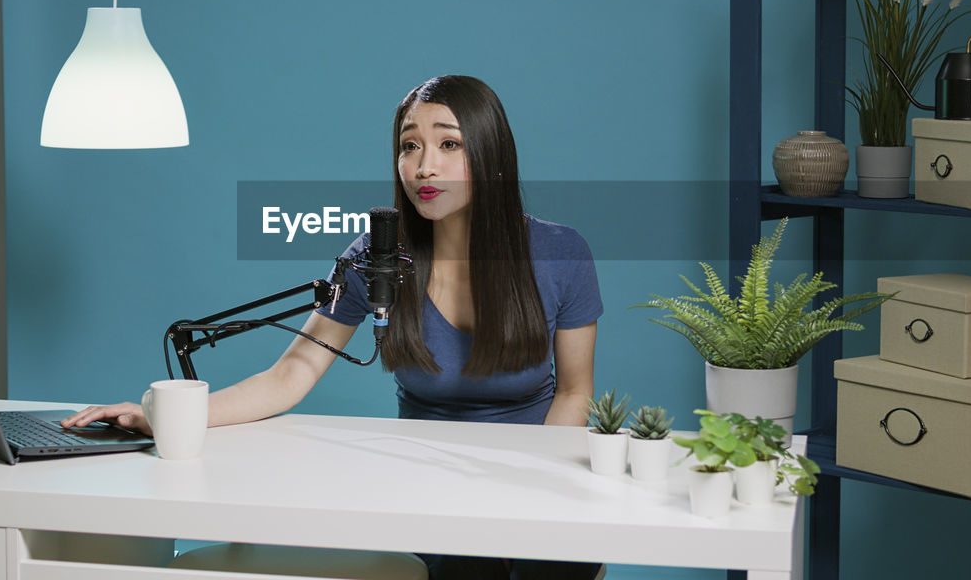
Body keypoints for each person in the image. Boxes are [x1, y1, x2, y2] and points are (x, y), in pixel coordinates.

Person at [64, 75, 603, 580]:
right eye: (410, 145)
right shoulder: (375, 257)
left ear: (492, 157)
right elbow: (290, 375)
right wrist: (164, 417)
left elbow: (576, 391)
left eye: (449, 145)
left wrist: (531, 497)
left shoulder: (561, 254)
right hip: (428, 491)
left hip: (538, 479)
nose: (423, 167)